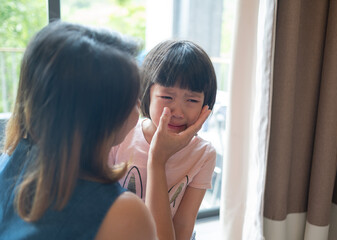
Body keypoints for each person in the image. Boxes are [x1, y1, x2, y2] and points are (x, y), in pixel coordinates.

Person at [0, 21, 211, 240]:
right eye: (133, 97)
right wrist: (158, 159)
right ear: (102, 115)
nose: (139, 105)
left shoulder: (12, 161)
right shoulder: (124, 212)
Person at [109, 40, 217, 240]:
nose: (177, 112)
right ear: (147, 94)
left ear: (206, 105)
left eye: (192, 100)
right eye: (167, 97)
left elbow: (183, 226)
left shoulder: (204, 153)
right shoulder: (122, 134)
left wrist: (157, 160)